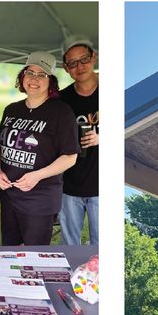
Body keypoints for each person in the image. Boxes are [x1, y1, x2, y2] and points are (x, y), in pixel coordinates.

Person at [0, 52, 79, 245]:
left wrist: (37, 175)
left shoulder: (61, 112)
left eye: (41, 74)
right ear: (22, 76)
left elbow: (70, 156)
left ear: (51, 81)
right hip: (9, 196)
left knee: (35, 257)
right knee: (9, 251)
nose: (34, 78)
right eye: (29, 72)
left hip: (40, 198)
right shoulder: (11, 109)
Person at [58, 39, 99, 246]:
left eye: (84, 60)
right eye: (72, 63)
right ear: (66, 69)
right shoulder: (61, 100)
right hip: (70, 185)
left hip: (101, 186)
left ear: (94, 58)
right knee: (68, 245)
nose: (79, 67)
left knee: (101, 247)